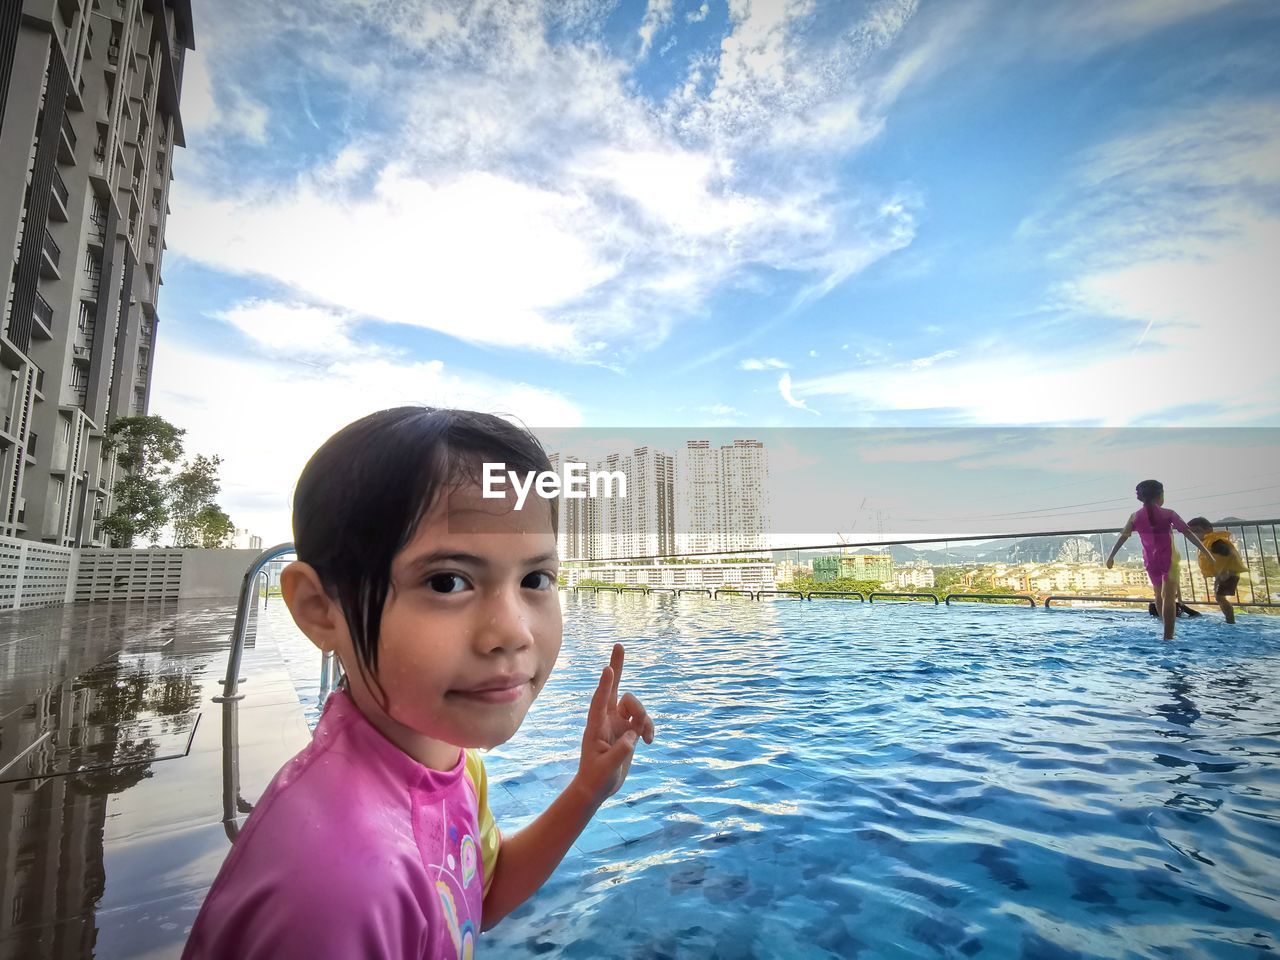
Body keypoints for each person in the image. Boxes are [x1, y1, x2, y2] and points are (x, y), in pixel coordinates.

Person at [183, 408, 655, 959]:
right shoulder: (336, 892)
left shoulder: (450, 759)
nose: (512, 632)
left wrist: (586, 790)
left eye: (535, 579)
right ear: (319, 609)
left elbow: (474, 899)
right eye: (447, 581)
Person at [1106, 479, 1214, 641]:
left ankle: (1164, 625)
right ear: (1160, 496)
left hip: (1151, 561)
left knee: (1158, 595)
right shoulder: (1168, 513)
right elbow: (1188, 533)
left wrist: (1111, 556)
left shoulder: (1135, 516)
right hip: (1169, 559)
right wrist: (1207, 552)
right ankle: (1168, 636)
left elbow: (1124, 536)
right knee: (1169, 596)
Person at [1187, 517, 1246, 624]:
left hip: (1229, 573)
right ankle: (1229, 620)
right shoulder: (1208, 542)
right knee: (1219, 597)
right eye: (1192, 532)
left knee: (1220, 597)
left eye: (1197, 531)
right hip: (1224, 574)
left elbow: (1227, 553)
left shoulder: (1215, 541)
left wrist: (1224, 572)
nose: (1195, 534)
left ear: (1209, 529)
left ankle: (1230, 621)